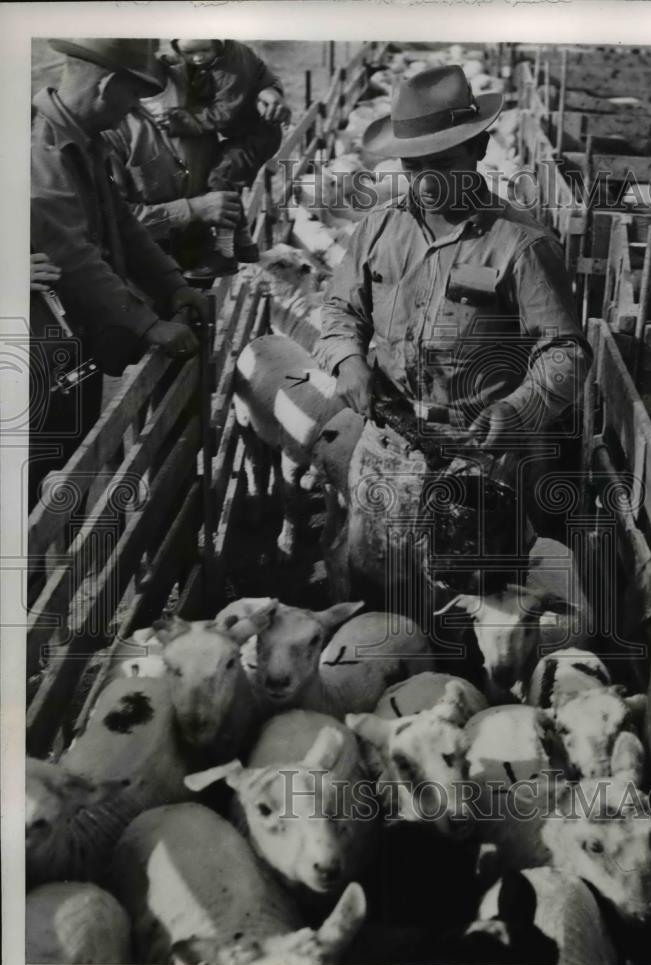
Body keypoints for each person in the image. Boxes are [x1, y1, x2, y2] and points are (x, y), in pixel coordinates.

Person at [313, 65, 591, 625]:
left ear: (480, 148)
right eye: (413, 167)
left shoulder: (521, 244)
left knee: (471, 613)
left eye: (441, 164)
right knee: (375, 596)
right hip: (386, 446)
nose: (425, 182)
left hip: (477, 459)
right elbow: (341, 308)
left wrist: (518, 409)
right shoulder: (378, 229)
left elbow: (565, 351)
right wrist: (346, 359)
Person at [30, 38, 208, 508]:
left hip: (75, 346)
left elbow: (123, 227)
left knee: (69, 478)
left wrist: (172, 285)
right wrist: (148, 323)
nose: (132, 112)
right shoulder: (37, 150)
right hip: (34, 359)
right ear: (108, 86)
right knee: (35, 490)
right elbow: (72, 253)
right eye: (133, 97)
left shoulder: (82, 142)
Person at [103, 52, 244, 282]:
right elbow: (112, 223)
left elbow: (250, 87)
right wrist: (193, 210)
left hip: (204, 263)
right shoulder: (110, 120)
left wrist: (270, 91)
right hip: (144, 277)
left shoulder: (198, 81)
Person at [156, 39, 291, 275]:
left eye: (204, 50)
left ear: (218, 43)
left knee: (220, 180)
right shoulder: (217, 57)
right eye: (188, 53)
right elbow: (260, 70)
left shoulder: (230, 67)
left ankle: (225, 253)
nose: (197, 58)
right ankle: (246, 244)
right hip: (241, 134)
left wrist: (181, 119)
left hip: (256, 134)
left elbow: (224, 114)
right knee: (222, 178)